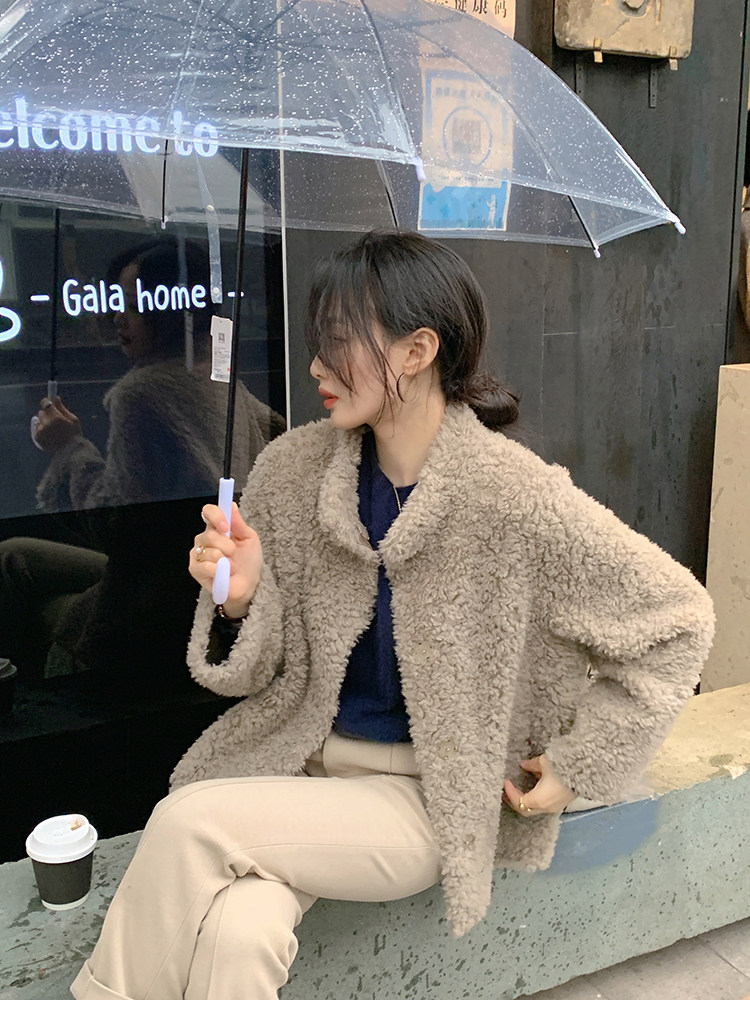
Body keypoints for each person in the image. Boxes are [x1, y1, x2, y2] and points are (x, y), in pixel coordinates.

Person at [71, 230, 715, 1000]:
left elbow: (679, 619)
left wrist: (580, 765)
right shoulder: (293, 469)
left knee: (186, 823)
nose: (316, 366)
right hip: (296, 762)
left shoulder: (514, 499)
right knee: (239, 934)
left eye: (337, 340)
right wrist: (245, 598)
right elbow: (266, 669)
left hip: (421, 797)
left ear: (417, 350)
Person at [0, 236, 284, 684]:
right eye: (118, 302)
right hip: (189, 582)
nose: (119, 317)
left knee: (17, 573)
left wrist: (69, 448)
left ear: (172, 311)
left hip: (150, 610)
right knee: (15, 556)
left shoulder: (143, 393)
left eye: (135, 305)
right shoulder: (224, 382)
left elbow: (117, 528)